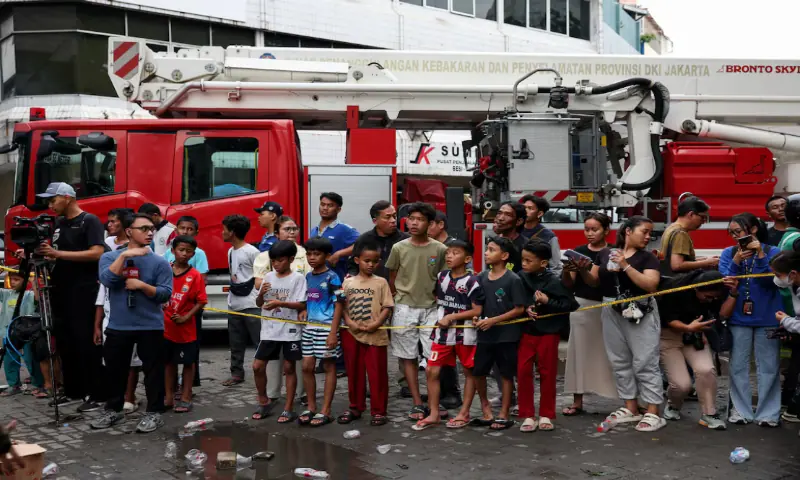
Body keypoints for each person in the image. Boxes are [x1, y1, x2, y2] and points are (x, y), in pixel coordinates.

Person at [575, 216, 665, 432]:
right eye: (644, 231)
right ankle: (630, 406)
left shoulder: (648, 258)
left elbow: (651, 285)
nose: (647, 236)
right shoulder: (605, 253)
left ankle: (653, 411)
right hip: (610, 307)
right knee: (619, 360)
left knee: (645, 360)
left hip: (640, 309)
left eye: (649, 233)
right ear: (627, 231)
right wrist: (581, 269)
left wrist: (625, 265)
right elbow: (594, 281)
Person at [93, 213, 172, 433]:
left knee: (153, 372)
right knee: (114, 371)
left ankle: (154, 412)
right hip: (119, 325)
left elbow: (165, 294)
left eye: (151, 229)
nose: (149, 233)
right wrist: (125, 255)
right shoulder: (110, 258)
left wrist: (142, 286)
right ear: (129, 232)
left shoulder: (160, 262)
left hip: (150, 326)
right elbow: (108, 280)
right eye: (143, 229)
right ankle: (113, 410)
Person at [33, 182, 105, 410]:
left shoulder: (89, 220)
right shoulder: (59, 223)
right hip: (60, 289)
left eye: (53, 200)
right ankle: (74, 390)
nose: (50, 205)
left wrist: (58, 253)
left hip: (83, 290)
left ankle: (96, 394)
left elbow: (97, 252)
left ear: (67, 197)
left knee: (86, 342)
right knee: (65, 343)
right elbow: (58, 255)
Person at [413, 240, 484, 431]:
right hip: (442, 332)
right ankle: (434, 413)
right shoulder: (442, 276)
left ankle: (464, 413)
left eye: (455, 253)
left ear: (467, 259)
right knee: (431, 370)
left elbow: (477, 309)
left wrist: (454, 316)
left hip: (466, 333)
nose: (450, 256)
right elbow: (439, 299)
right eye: (448, 253)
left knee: (469, 372)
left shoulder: (473, 282)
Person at [719, 212, 782, 426]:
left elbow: (774, 281)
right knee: (737, 366)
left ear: (753, 229)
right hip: (738, 317)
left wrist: (761, 256)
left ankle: (769, 414)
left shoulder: (773, 252)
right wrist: (736, 261)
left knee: (769, 367)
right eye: (732, 233)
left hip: (768, 317)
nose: (735, 237)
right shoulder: (729, 253)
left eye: (738, 232)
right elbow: (725, 279)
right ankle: (740, 411)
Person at [386, 202, 447, 421]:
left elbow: (443, 278)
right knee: (408, 357)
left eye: (419, 219)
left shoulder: (439, 249)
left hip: (432, 308)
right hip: (404, 307)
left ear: (430, 224)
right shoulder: (399, 248)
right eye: (411, 218)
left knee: (433, 358)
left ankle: (434, 404)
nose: (413, 222)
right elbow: (393, 277)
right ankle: (417, 402)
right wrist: (394, 300)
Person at [517, 240, 579, 432]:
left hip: (548, 333)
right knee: (523, 372)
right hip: (526, 331)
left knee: (548, 373)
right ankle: (527, 414)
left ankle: (546, 414)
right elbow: (516, 301)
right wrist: (525, 308)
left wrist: (548, 301)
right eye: (523, 260)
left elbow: (570, 306)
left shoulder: (554, 281)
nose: (524, 264)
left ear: (543, 263)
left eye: (529, 260)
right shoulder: (520, 277)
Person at [560, 212, 618, 416]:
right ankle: (577, 401)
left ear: (606, 231)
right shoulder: (578, 251)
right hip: (582, 306)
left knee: (615, 354)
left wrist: (584, 270)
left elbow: (597, 281)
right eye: (587, 229)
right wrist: (567, 269)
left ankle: (625, 399)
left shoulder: (612, 253)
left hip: (608, 306)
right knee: (578, 353)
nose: (590, 233)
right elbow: (568, 283)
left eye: (595, 229)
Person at [657, 270, 729, 430]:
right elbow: (669, 319)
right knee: (682, 385)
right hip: (670, 335)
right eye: (707, 296)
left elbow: (722, 313)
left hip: (697, 335)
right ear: (696, 289)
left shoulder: (718, 295)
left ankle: (709, 414)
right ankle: (673, 405)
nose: (711, 300)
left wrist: (734, 293)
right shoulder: (674, 290)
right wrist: (688, 327)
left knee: (706, 370)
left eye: (714, 297)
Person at [472, 237, 526, 431]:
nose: (486, 253)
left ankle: (504, 413)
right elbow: (478, 305)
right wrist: (476, 319)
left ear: (504, 256)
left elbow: (519, 309)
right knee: (478, 372)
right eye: (487, 249)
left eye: (491, 250)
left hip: (507, 335)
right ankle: (486, 408)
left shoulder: (513, 279)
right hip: (485, 335)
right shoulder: (481, 277)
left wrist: (493, 320)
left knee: (505, 374)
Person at [338, 239, 393, 427]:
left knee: (377, 374)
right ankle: (355, 406)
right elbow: (342, 307)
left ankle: (379, 411)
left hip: (375, 335)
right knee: (354, 372)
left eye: (375, 261)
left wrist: (376, 323)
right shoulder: (348, 283)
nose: (370, 265)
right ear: (357, 260)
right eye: (366, 261)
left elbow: (387, 306)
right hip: (351, 333)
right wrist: (350, 322)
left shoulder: (381, 282)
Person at [254, 215, 308, 404]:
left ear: (291, 259)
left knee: (289, 367)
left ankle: (289, 405)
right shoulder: (268, 276)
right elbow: (259, 303)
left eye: (280, 260)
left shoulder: (298, 278)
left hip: (290, 330)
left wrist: (280, 304)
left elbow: (301, 303)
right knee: (257, 366)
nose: (276, 264)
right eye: (274, 261)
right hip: (269, 330)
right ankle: (264, 399)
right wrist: (262, 295)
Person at [298, 237, 343, 427]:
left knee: (328, 367)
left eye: (316, 254)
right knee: (307, 366)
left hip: (326, 328)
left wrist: (333, 332)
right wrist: (305, 310)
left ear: (327, 256)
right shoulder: (308, 277)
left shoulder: (333, 277)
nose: (312, 258)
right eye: (309, 254)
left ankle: (326, 409)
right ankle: (311, 406)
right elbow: (310, 299)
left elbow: (339, 304)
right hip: (309, 328)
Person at [162, 215, 207, 389]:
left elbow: (201, 285)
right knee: (168, 358)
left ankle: (189, 388)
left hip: (188, 310)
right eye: (182, 228)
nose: (184, 253)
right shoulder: (166, 258)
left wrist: (186, 314)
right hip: (168, 315)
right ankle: (169, 392)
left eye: (190, 228)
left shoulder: (198, 258)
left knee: (189, 353)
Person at [221, 214, 261, 387]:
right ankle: (236, 373)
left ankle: (265, 372)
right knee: (235, 342)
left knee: (259, 341)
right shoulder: (231, 251)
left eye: (224, 230)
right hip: (234, 303)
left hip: (251, 304)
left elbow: (260, 276)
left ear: (232, 232)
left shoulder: (252, 252)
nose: (222, 233)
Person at [94, 283, 142, 414]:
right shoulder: (108, 276)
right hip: (110, 325)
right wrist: (97, 327)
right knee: (112, 363)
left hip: (133, 323)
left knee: (133, 363)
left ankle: (130, 397)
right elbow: (100, 303)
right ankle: (115, 398)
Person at [0, 271, 45, 398]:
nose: (13, 282)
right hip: (9, 332)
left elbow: (38, 299)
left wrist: (33, 282)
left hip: (27, 332)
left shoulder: (29, 294)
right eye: (11, 279)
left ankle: (38, 384)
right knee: (9, 360)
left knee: (31, 359)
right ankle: (14, 384)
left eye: (16, 279)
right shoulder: (7, 293)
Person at [772, 251, 800, 426]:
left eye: (777, 275)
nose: (776, 279)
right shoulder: (794, 286)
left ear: (793, 273)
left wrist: (786, 321)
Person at [660, 197, 718, 275]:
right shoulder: (680, 233)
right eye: (703, 217)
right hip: (676, 281)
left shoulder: (671, 228)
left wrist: (703, 260)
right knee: (714, 276)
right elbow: (677, 265)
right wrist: (706, 263)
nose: (703, 222)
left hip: (667, 278)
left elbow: (674, 259)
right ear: (691, 214)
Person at [310, 192, 360, 280]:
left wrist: (339, 254)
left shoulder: (344, 229)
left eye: (330, 205)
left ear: (338, 209)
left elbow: (362, 244)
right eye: (322, 204)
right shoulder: (314, 230)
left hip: (336, 279)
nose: (325, 208)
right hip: (315, 279)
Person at [254, 216, 312, 287]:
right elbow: (258, 284)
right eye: (287, 229)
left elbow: (310, 280)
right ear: (276, 233)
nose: (292, 232)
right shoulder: (265, 256)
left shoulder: (306, 253)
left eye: (295, 229)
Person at [519, 194, 562, 276]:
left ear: (540, 214)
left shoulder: (549, 236)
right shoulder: (514, 231)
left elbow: (555, 267)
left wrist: (547, 286)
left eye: (530, 208)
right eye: (524, 207)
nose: (525, 211)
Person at [492, 202, 529, 274]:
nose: (500, 218)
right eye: (499, 213)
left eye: (508, 215)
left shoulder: (525, 246)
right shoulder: (493, 242)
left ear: (519, 221)